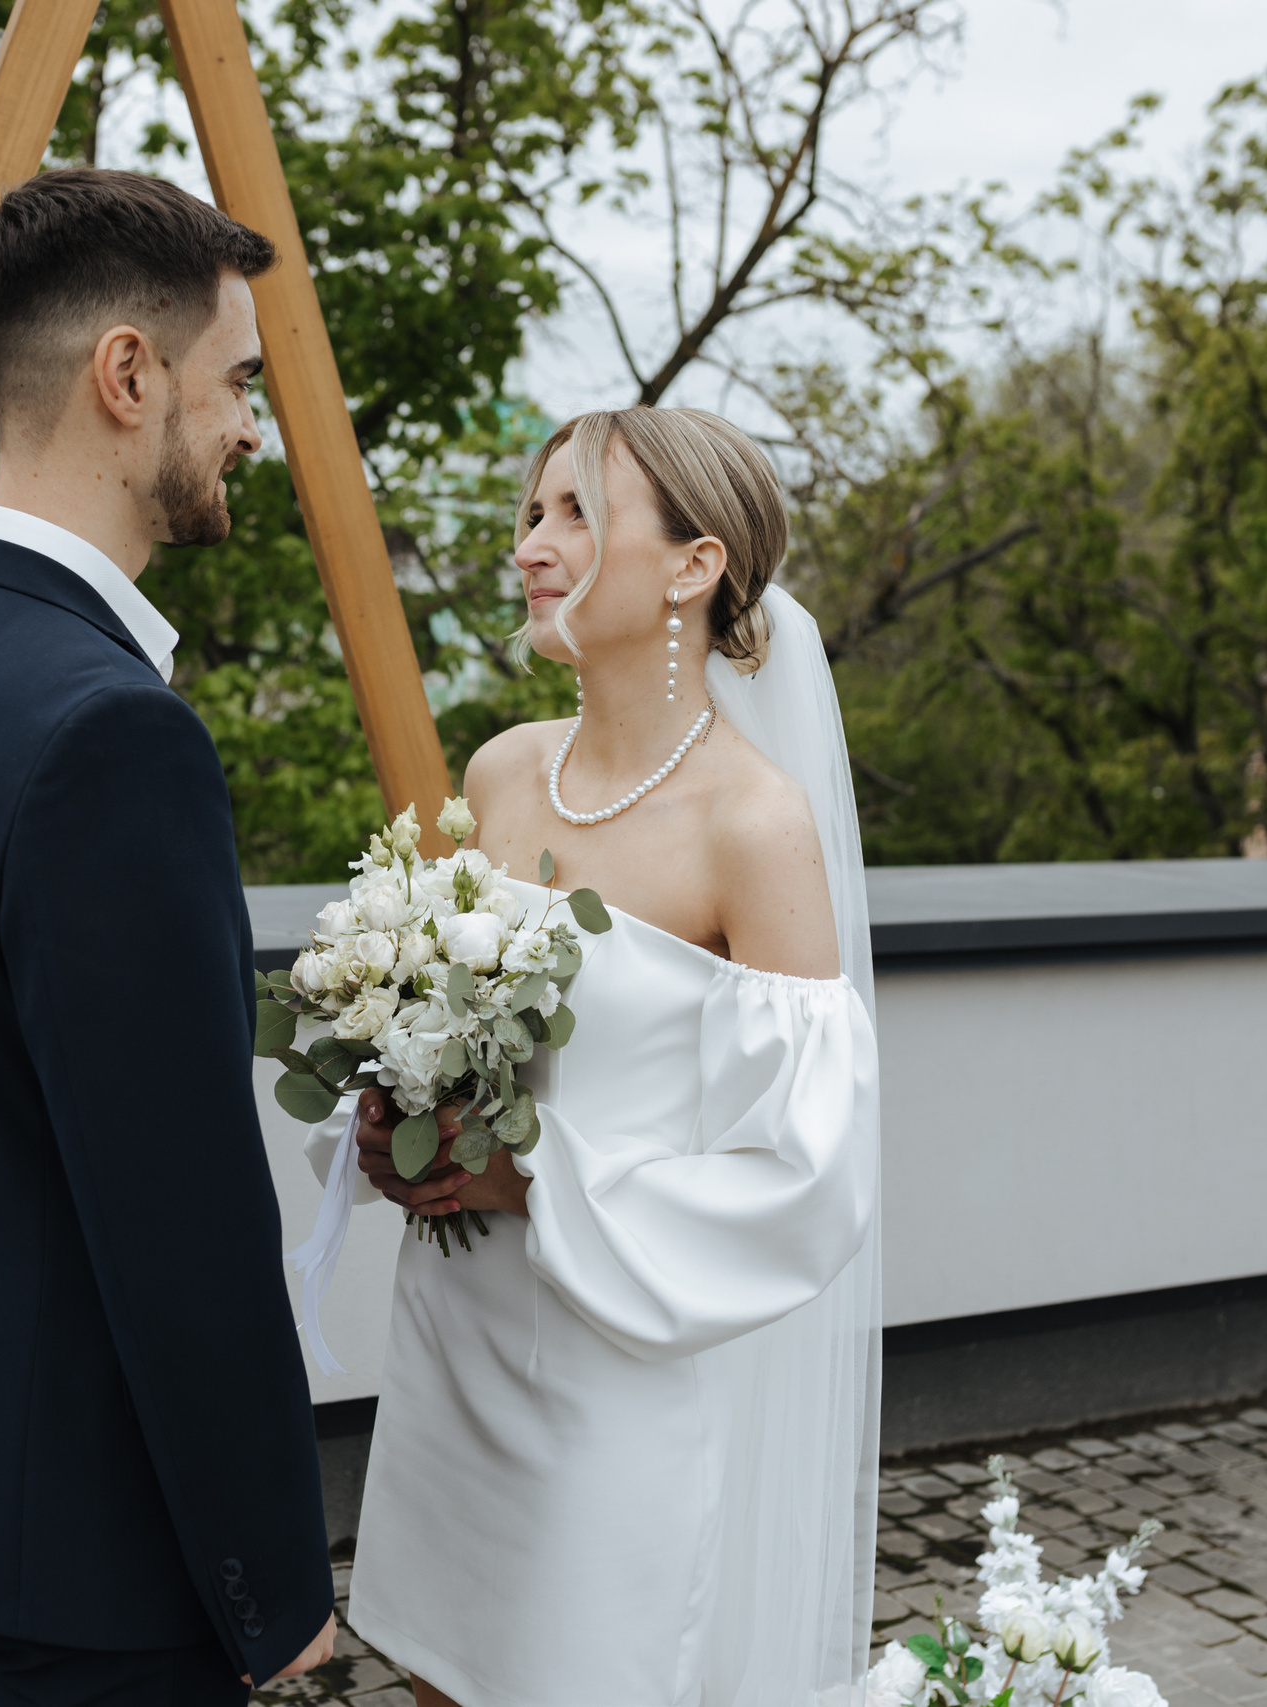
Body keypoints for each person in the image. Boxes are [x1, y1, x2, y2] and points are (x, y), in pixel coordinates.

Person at [0, 168, 339, 1706]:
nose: (251, 426)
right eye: (238, 380)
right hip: (96, 1558)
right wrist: (270, 1570)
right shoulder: (112, 734)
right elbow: (176, 1207)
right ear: (126, 375)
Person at [316, 407, 884, 1707]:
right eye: (532, 514)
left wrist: (530, 1181)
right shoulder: (504, 773)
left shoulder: (755, 826)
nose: (533, 544)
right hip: (452, 1339)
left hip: (609, 1367)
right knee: (439, 1672)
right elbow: (439, 1019)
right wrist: (389, 1109)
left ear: (695, 566)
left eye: (578, 512)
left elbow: (808, 1170)